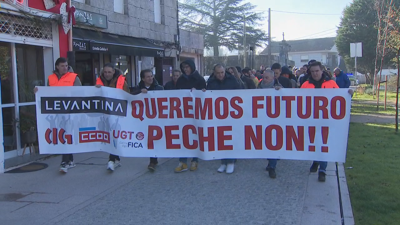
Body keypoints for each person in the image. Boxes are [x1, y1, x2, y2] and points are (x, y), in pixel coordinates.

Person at [301, 61, 353, 182]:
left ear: (322, 71)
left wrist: (349, 93)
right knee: (314, 142)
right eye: (312, 71)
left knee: (324, 144)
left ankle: (322, 170)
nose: (315, 73)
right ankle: (316, 160)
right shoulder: (306, 85)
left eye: (317, 71)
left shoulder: (331, 83)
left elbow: (340, 98)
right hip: (311, 119)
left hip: (327, 120)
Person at [35, 57, 81, 173]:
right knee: (64, 135)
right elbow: (47, 93)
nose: (65, 68)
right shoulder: (51, 78)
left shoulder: (74, 77)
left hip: (69, 111)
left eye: (66, 65)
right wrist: (38, 91)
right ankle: (70, 160)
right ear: (57, 67)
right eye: (62, 66)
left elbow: (81, 93)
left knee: (65, 135)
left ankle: (64, 162)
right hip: (56, 112)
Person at [206, 64, 242, 173]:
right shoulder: (211, 82)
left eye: (222, 72)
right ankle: (223, 162)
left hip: (231, 114)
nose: (220, 75)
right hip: (218, 115)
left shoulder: (233, 80)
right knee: (220, 139)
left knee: (230, 138)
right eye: (218, 73)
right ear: (214, 73)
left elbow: (241, 94)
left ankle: (231, 162)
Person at [95, 64, 129, 171]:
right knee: (110, 136)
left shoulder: (122, 81)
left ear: (114, 72)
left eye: (109, 72)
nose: (107, 74)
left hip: (118, 113)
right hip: (105, 113)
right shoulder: (99, 81)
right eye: (105, 72)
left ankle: (112, 159)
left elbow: (127, 95)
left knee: (114, 135)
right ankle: (115, 159)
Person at [174, 59, 206, 173]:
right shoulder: (180, 80)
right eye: (184, 67)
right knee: (183, 136)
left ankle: (194, 160)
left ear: (192, 67)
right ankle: (182, 162)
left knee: (194, 136)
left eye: (187, 67)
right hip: (183, 113)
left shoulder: (200, 79)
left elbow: (204, 94)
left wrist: (198, 92)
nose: (185, 69)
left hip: (195, 113)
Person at [132, 69, 164, 171]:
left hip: (156, 117)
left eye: (151, 76)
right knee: (148, 139)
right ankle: (153, 160)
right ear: (143, 78)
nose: (150, 78)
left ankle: (154, 160)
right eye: (148, 77)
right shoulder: (138, 88)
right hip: (144, 118)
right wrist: (139, 92)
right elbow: (130, 96)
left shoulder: (159, 88)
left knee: (155, 138)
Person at [257, 70, 282, 178]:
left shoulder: (279, 88)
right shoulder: (258, 88)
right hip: (261, 120)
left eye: (267, 77)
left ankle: (272, 166)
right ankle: (270, 162)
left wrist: (280, 92)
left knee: (273, 143)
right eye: (264, 77)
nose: (265, 79)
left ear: (273, 78)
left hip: (274, 121)